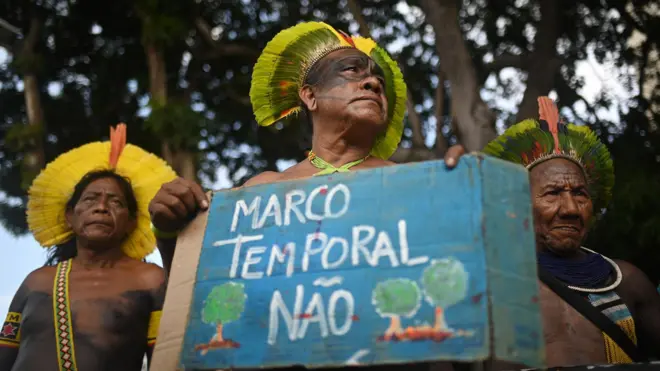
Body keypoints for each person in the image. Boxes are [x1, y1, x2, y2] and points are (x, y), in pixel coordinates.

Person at [149, 21, 464, 371]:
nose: (373, 83)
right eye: (352, 71)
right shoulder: (259, 193)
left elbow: (457, 291)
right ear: (309, 96)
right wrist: (168, 228)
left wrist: (469, 200)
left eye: (379, 82)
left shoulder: (418, 184)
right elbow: (198, 292)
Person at [483, 96, 660, 367]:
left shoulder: (627, 280)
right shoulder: (487, 284)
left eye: (580, 194)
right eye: (552, 193)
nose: (570, 209)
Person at [0, 124, 177, 371]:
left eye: (115, 202)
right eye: (91, 199)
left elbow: (166, 361)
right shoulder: (37, 282)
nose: (101, 207)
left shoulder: (149, 280)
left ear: (131, 222)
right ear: (70, 216)